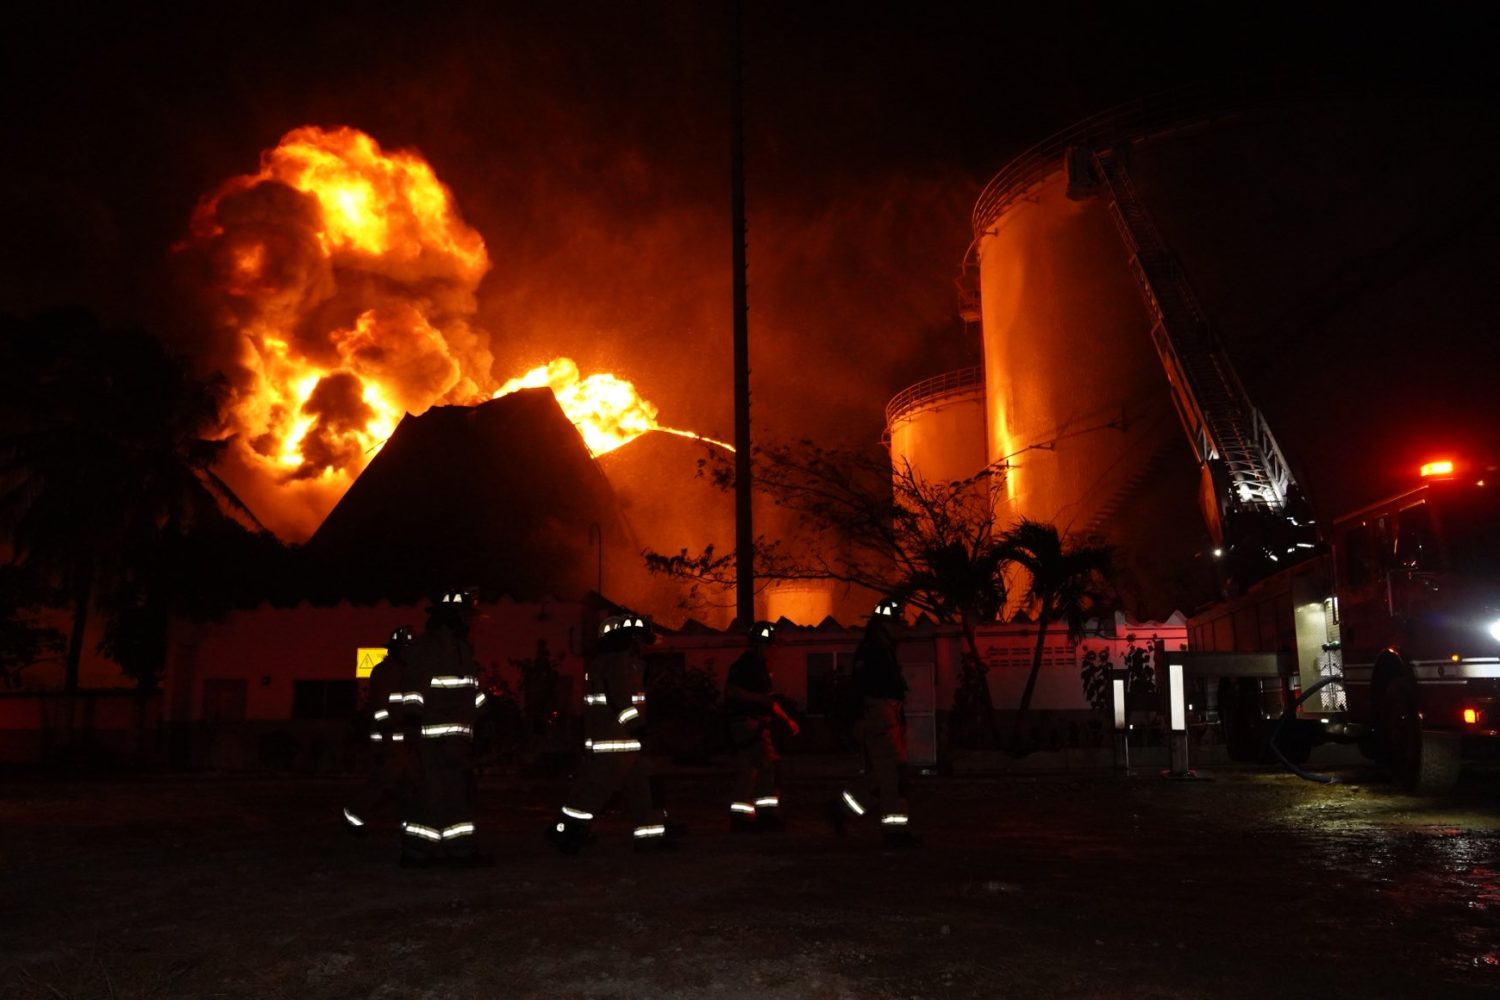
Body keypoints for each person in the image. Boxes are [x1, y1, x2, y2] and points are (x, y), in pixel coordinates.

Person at [548, 613, 678, 854]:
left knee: (643, 789)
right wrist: (637, 726)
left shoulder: (618, 661)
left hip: (626, 742)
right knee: (595, 791)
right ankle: (567, 832)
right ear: (632, 639)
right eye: (642, 640)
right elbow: (619, 698)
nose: (645, 646)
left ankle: (650, 837)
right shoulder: (617, 662)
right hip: (615, 742)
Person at [400, 589, 492, 868]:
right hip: (434, 737)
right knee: (438, 794)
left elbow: (468, 688)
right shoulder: (427, 647)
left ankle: (439, 851)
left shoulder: (462, 648)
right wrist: (413, 724)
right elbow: (414, 689)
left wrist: (485, 713)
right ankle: (429, 852)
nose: (469, 621)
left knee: (449, 794)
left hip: (456, 738)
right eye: (465, 615)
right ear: (452, 617)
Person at [830, 596, 918, 849]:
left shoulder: (884, 650)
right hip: (878, 717)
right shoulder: (872, 651)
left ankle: (841, 810)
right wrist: (859, 718)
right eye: (898, 623)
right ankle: (895, 834)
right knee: (891, 776)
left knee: (886, 775)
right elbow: (860, 688)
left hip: (889, 716)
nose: (902, 628)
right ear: (884, 625)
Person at [724, 620, 799, 832]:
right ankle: (766, 816)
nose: (771, 649)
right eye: (768, 645)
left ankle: (742, 819)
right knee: (767, 766)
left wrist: (787, 720)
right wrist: (759, 700)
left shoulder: (757, 666)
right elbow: (733, 692)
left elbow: (769, 701)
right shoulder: (747, 665)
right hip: (748, 724)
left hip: (751, 725)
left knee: (749, 769)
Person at [343, 626, 418, 835]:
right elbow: (380, 704)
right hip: (389, 738)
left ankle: (408, 823)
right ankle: (353, 815)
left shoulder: (407, 671)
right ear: (396, 649)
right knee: (385, 781)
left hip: (403, 738)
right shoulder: (385, 671)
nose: (409, 652)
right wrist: (387, 728)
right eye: (406, 648)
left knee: (408, 782)